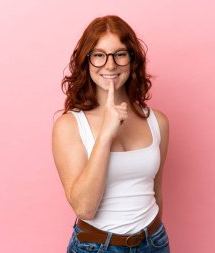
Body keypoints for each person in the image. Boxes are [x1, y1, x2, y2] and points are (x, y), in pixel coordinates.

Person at [52, 15, 170, 253]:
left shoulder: (158, 122)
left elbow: (156, 190)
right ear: (86, 61)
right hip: (98, 247)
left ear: (132, 60)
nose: (110, 65)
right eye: (98, 55)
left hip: (154, 243)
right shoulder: (69, 126)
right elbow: (84, 208)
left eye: (120, 54)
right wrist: (106, 134)